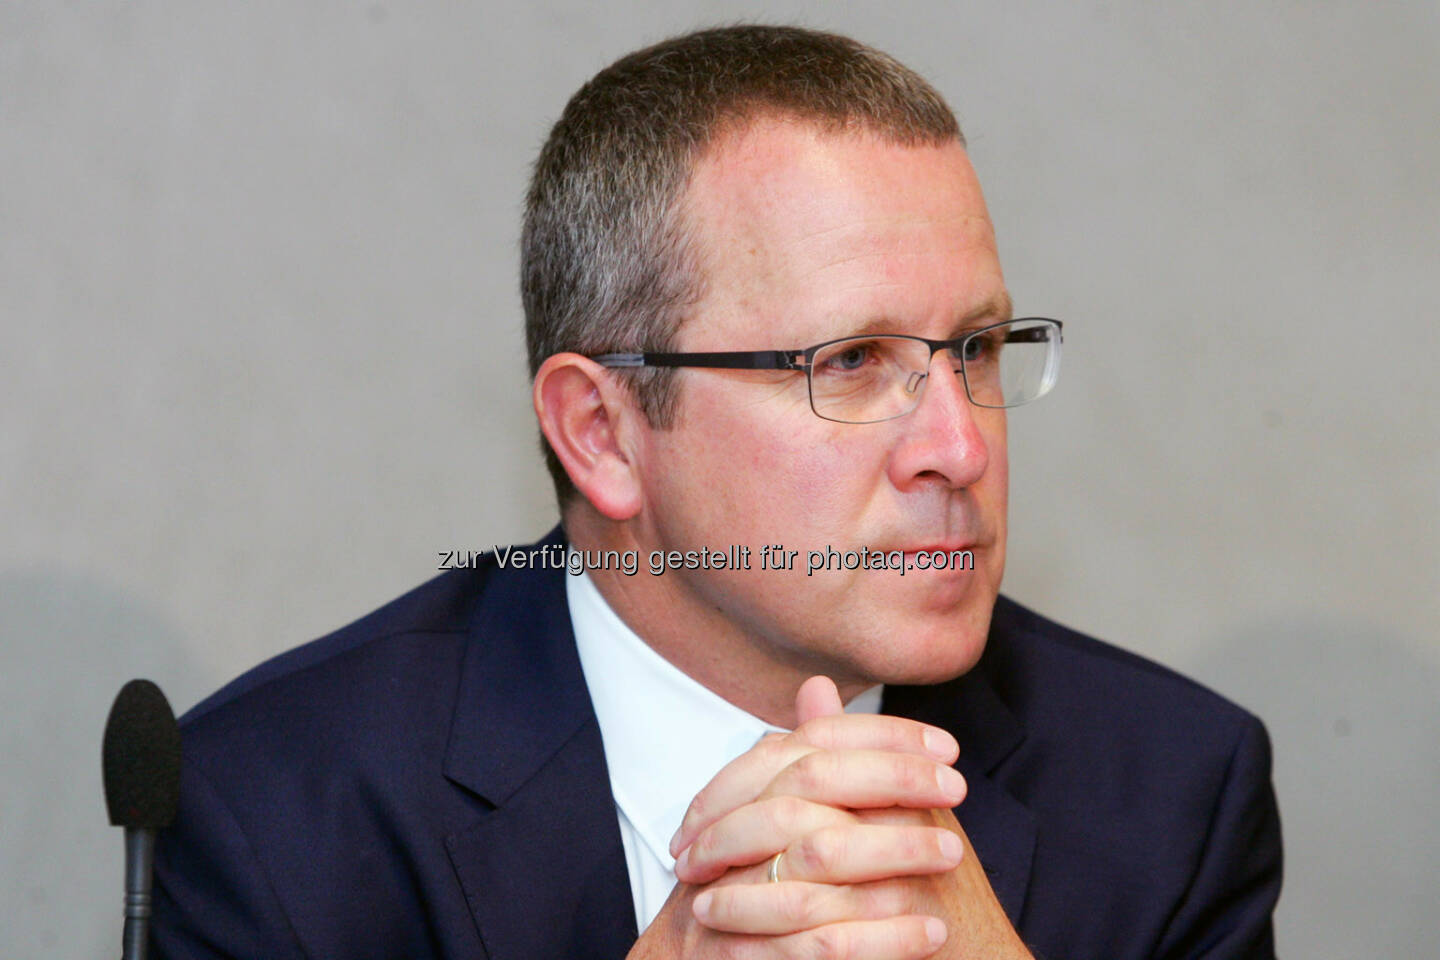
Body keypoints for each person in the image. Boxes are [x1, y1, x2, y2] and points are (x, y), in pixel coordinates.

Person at [151, 25, 1282, 960]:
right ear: (603, 433)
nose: (961, 447)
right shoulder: (275, 815)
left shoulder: (1172, 793)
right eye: (850, 362)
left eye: (977, 348)